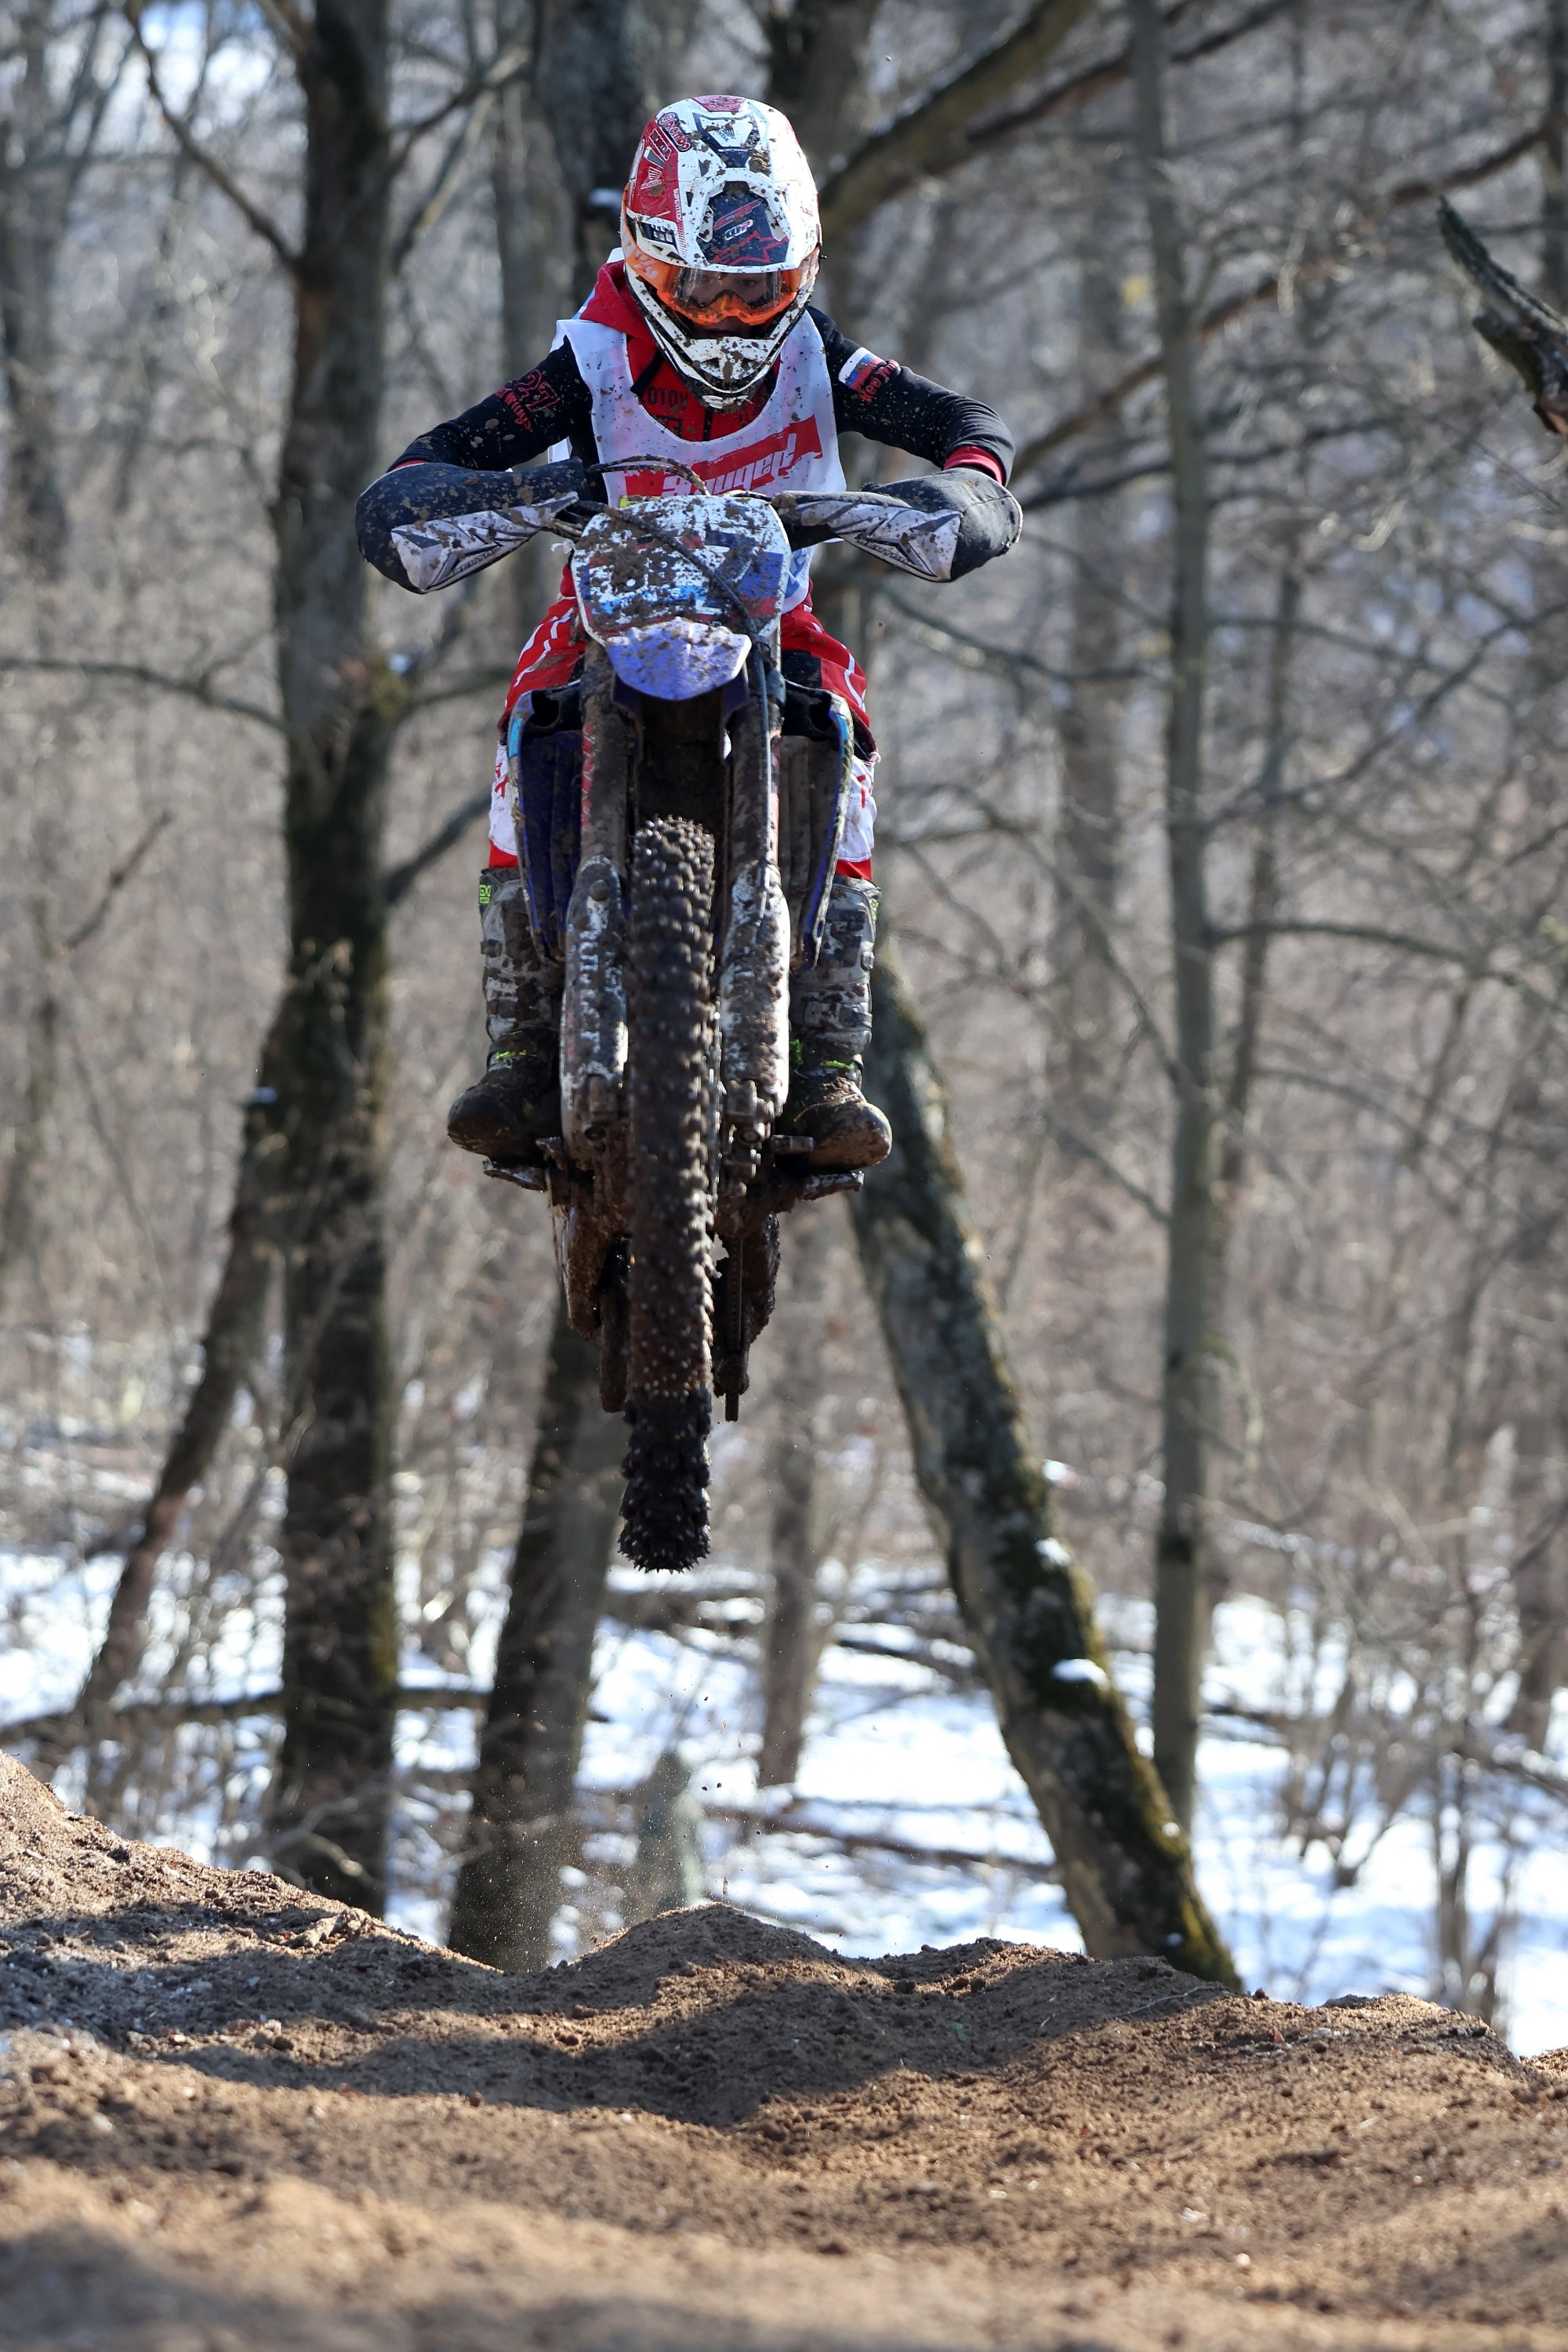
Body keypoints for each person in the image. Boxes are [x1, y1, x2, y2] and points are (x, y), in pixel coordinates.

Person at [357, 94, 1019, 1171]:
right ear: (644, 260)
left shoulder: (821, 356)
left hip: (773, 613)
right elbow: (431, 460)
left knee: (843, 731)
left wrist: (967, 494)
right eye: (696, 288)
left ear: (795, 277)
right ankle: (526, 1038)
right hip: (607, 609)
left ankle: (825, 1059)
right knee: (528, 714)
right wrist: (459, 499)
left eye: (755, 289)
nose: (725, 316)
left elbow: (962, 425)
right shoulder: (590, 361)